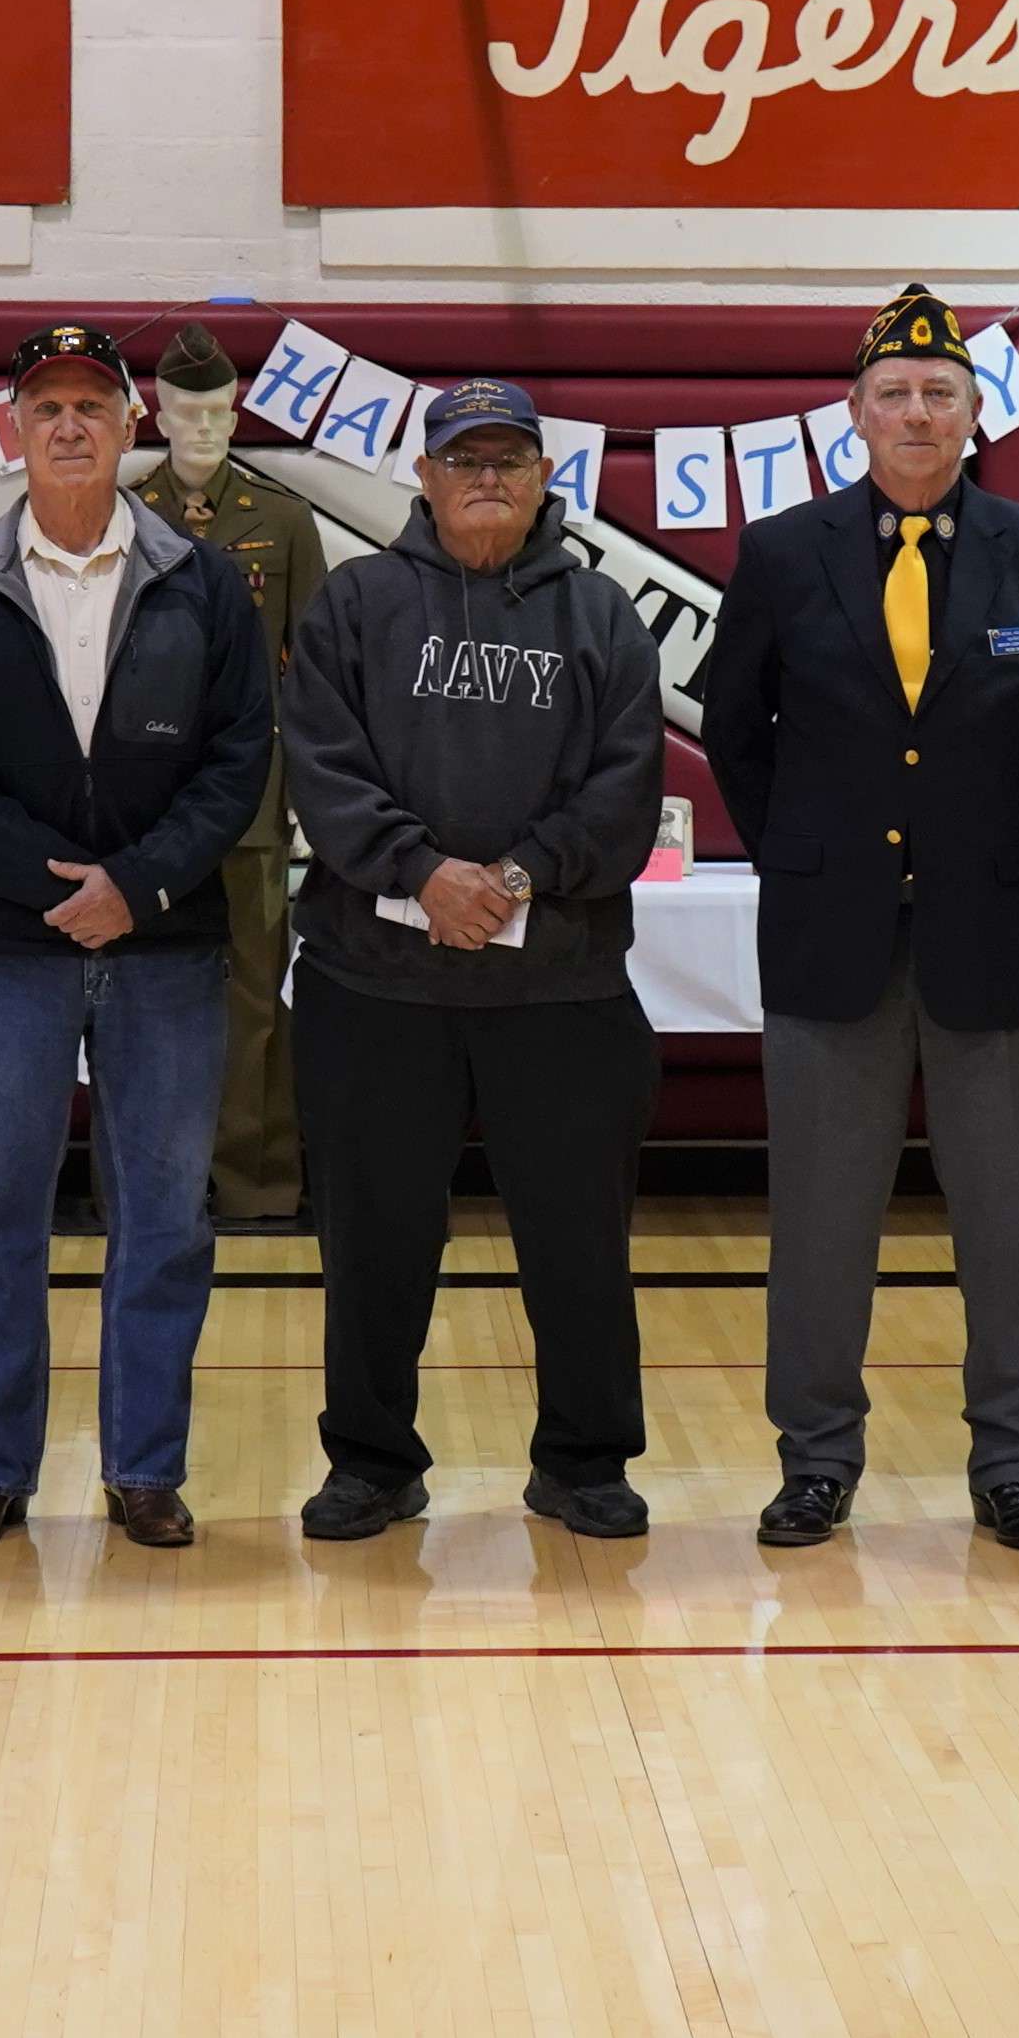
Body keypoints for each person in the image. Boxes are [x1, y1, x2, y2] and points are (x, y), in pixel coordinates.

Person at [702, 283, 1019, 1555]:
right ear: (854, 415)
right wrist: (812, 861)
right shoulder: (782, 555)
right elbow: (737, 734)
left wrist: (987, 857)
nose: (917, 412)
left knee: (1009, 1220)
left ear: (976, 414)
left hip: (989, 933)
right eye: (894, 393)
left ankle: (1015, 1465)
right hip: (832, 936)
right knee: (822, 1219)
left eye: (940, 392)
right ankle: (817, 1458)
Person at [0, 324, 278, 1553]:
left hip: (167, 947)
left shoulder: (203, 581)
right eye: (46, 404)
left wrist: (139, 886)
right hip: (12, 947)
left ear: (130, 426)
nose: (68, 425)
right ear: (15, 426)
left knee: (163, 1216)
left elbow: (238, 761)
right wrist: (54, 885)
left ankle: (144, 1466)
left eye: (91, 406)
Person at [278, 380, 672, 1542]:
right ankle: (372, 1461)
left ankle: (585, 1460)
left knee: (579, 1240)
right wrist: (419, 871)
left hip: (563, 987)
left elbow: (626, 788)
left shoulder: (602, 616)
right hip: (374, 986)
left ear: (547, 476)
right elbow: (323, 765)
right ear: (427, 476)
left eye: (510, 458)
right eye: (466, 459)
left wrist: (513, 878)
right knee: (373, 1240)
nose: (487, 476)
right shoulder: (356, 604)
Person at [141, 323, 332, 1226]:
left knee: (255, 994)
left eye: (219, 409)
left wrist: (308, 801)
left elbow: (319, 677)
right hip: (144, 808)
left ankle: (258, 1183)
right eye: (187, 410)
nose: (204, 427)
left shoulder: (282, 520)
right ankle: (154, 1186)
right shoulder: (122, 511)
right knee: (144, 997)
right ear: (157, 410)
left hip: (254, 802)